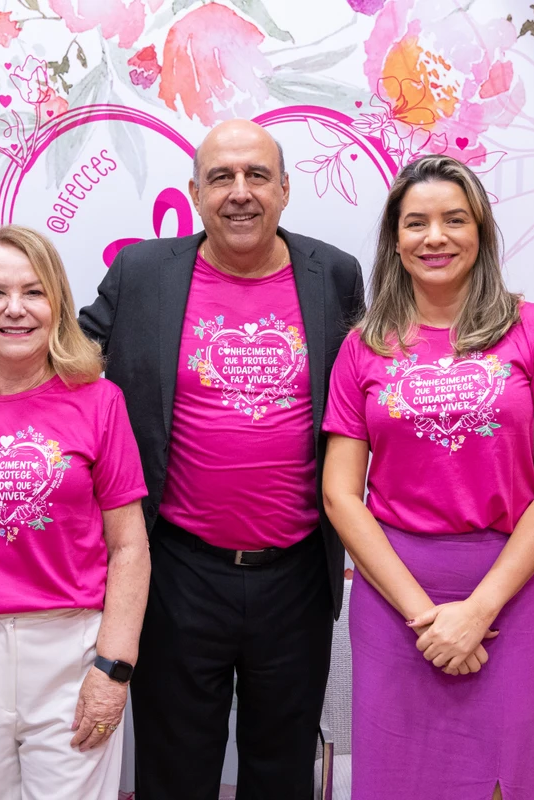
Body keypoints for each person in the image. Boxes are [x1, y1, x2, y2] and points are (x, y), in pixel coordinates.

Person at [78, 119, 364, 799]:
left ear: (286, 190)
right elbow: (70, 364)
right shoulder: (142, 273)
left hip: (297, 570)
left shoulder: (334, 275)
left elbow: (376, 382)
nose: (240, 193)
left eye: (257, 176)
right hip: (178, 568)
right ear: (195, 192)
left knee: (282, 768)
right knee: (175, 770)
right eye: (222, 177)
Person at [322, 154, 534, 800]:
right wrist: (426, 617)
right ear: (395, 240)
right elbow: (340, 492)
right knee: (398, 778)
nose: (434, 237)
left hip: (511, 589)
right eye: (416, 223)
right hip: (395, 598)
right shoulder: (364, 344)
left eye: (453, 219)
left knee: (508, 776)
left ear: (481, 232)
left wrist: (480, 610)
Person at [0, 225, 150, 800]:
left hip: (73, 650)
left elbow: (129, 545)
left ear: (57, 305)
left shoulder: (99, 399)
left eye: (33, 292)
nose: (15, 310)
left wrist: (114, 668)